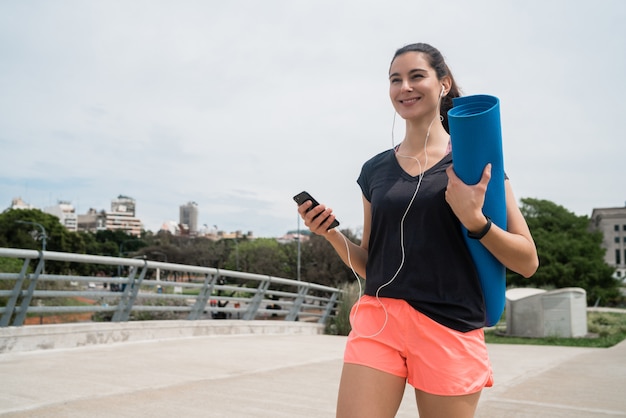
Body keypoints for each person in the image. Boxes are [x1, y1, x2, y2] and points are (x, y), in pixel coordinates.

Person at [296, 43, 539, 418]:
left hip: (449, 323)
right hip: (379, 320)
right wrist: (329, 233)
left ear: (444, 84)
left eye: (416, 76)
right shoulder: (374, 171)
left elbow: (527, 261)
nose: (404, 87)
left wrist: (476, 221)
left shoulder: (474, 164)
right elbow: (370, 264)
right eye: (395, 80)